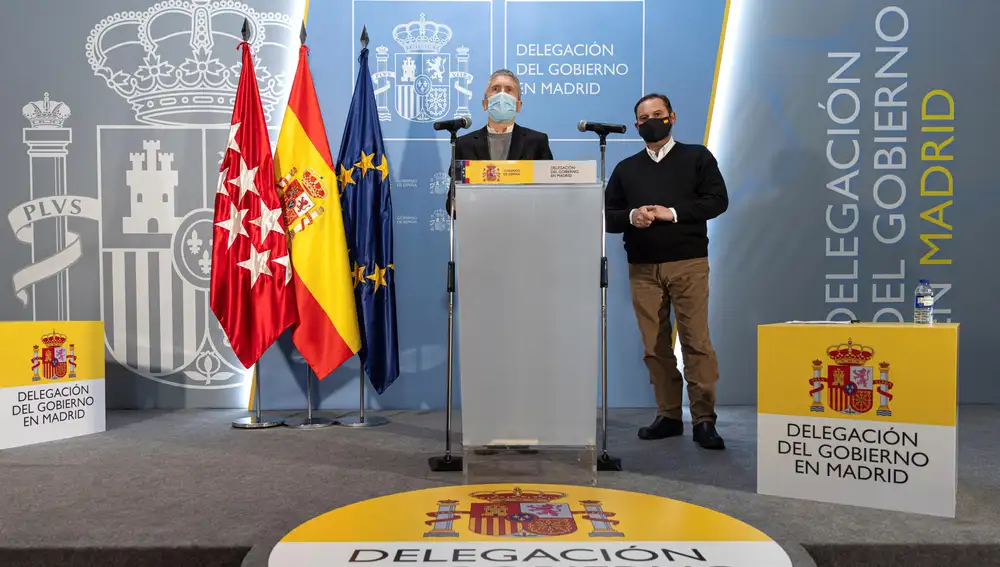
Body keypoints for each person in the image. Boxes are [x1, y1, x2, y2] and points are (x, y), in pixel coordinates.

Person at [604, 93, 729, 450]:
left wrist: (669, 213)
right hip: (642, 267)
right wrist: (633, 217)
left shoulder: (697, 157)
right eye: (644, 118)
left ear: (672, 117)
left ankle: (704, 420)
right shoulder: (626, 169)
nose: (651, 121)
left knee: (696, 342)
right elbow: (608, 214)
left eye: (658, 114)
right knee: (654, 346)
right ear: (636, 125)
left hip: (688, 263)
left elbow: (717, 200)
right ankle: (669, 415)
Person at [446, 69, 553, 215]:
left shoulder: (537, 142)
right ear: (485, 104)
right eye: (495, 89)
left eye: (509, 90)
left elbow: (549, 198)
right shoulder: (463, 145)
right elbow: (451, 207)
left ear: (518, 105)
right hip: (480, 228)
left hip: (525, 229)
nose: (502, 95)